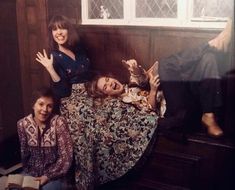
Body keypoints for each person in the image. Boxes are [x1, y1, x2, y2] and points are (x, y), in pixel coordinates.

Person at [86, 18, 233, 138]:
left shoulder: (128, 86)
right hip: (172, 112)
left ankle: (209, 115)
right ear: (106, 95)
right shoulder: (122, 104)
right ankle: (213, 44)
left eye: (107, 80)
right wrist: (153, 91)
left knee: (208, 58)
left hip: (184, 100)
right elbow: (148, 116)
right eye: (105, 87)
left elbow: (141, 81)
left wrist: (136, 71)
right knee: (165, 64)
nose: (110, 84)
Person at [17, 87, 73, 190]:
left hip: (55, 175)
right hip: (31, 173)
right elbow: (24, 154)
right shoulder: (22, 124)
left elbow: (66, 158)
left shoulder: (59, 123)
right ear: (33, 104)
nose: (45, 110)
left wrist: (47, 176)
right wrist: (28, 174)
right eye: (41, 104)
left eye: (49, 106)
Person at [36, 15, 91, 99]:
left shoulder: (79, 49)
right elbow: (63, 92)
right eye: (55, 29)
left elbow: (90, 74)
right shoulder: (54, 57)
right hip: (73, 100)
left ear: (69, 31)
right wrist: (50, 69)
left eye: (62, 28)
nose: (59, 32)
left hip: (91, 92)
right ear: (51, 33)